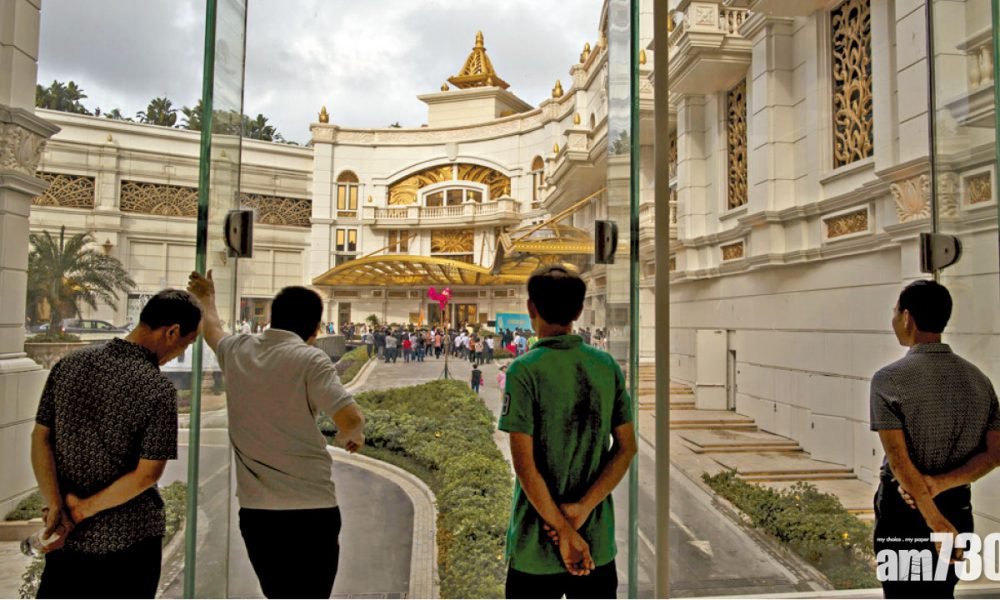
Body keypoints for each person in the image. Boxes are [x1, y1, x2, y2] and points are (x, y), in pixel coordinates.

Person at [187, 271, 365, 599]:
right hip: (312, 507)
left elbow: (211, 329)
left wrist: (207, 298)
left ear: (272, 318)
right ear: (314, 329)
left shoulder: (236, 350)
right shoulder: (310, 359)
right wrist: (350, 434)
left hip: (258, 512)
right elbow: (350, 416)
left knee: (278, 593)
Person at [32, 290, 203, 599]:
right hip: (129, 541)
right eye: (186, 343)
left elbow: (41, 437)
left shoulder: (69, 365)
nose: (179, 353)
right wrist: (80, 512)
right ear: (172, 332)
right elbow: (147, 474)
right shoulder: (158, 389)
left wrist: (57, 507)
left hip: (66, 541)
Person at [498, 265, 636, 599]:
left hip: (535, 544)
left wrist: (560, 529)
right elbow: (626, 448)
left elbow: (524, 466)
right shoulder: (606, 366)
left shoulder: (523, 370)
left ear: (532, 308)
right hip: (596, 542)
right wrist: (581, 510)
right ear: (577, 311)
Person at [871, 280, 999, 599]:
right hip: (958, 506)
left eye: (895, 312)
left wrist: (936, 522)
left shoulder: (888, 380)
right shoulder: (979, 381)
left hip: (905, 511)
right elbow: (995, 453)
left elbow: (900, 462)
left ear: (907, 318)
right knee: (941, 593)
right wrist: (941, 484)